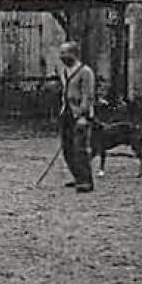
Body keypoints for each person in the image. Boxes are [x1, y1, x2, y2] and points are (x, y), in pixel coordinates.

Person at [57, 40, 96, 193]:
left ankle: (86, 181)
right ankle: (77, 176)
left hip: (80, 115)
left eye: (64, 53)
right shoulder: (64, 71)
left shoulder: (85, 71)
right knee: (67, 148)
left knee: (80, 148)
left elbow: (88, 96)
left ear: (73, 54)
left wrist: (83, 115)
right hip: (66, 113)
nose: (61, 57)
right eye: (61, 53)